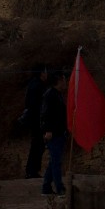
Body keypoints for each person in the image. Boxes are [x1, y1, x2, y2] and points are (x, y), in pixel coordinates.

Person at [40, 68, 69, 197]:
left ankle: (46, 187)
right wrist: (48, 130)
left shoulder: (58, 95)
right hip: (53, 134)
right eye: (64, 79)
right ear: (59, 80)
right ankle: (60, 188)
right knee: (56, 162)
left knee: (54, 161)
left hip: (59, 132)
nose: (66, 81)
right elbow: (45, 114)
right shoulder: (50, 95)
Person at [18, 66, 47, 179]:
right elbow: (36, 106)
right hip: (37, 120)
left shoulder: (33, 84)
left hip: (35, 120)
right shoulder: (37, 86)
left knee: (37, 145)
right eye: (45, 72)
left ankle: (32, 170)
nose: (46, 74)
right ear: (41, 73)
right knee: (38, 145)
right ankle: (32, 171)